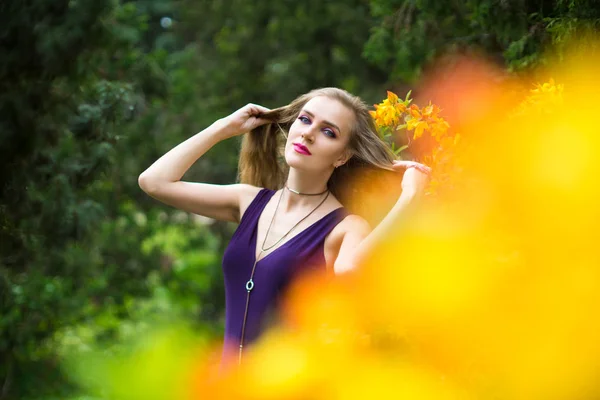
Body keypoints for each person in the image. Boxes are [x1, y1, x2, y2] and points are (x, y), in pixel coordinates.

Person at [138, 87, 430, 366]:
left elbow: (349, 269)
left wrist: (411, 196)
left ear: (342, 156)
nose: (308, 133)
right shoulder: (248, 200)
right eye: (304, 120)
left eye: (328, 132)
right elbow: (154, 182)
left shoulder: (346, 227)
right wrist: (224, 127)